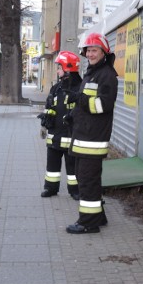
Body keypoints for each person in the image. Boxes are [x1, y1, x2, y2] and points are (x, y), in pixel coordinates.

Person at [66, 33, 118, 234]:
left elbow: (103, 105)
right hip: (84, 137)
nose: (90, 53)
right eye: (88, 50)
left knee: (88, 181)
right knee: (84, 178)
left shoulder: (107, 75)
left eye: (94, 50)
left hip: (93, 140)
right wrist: (73, 114)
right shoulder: (91, 73)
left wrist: (80, 101)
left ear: (103, 52)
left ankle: (88, 223)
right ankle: (98, 216)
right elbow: (86, 103)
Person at [38, 51, 83, 200]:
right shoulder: (56, 88)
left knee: (72, 168)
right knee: (52, 167)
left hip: (71, 136)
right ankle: (50, 188)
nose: (57, 71)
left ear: (68, 68)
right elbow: (49, 106)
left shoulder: (80, 88)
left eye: (59, 67)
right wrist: (44, 123)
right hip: (54, 136)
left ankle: (75, 190)